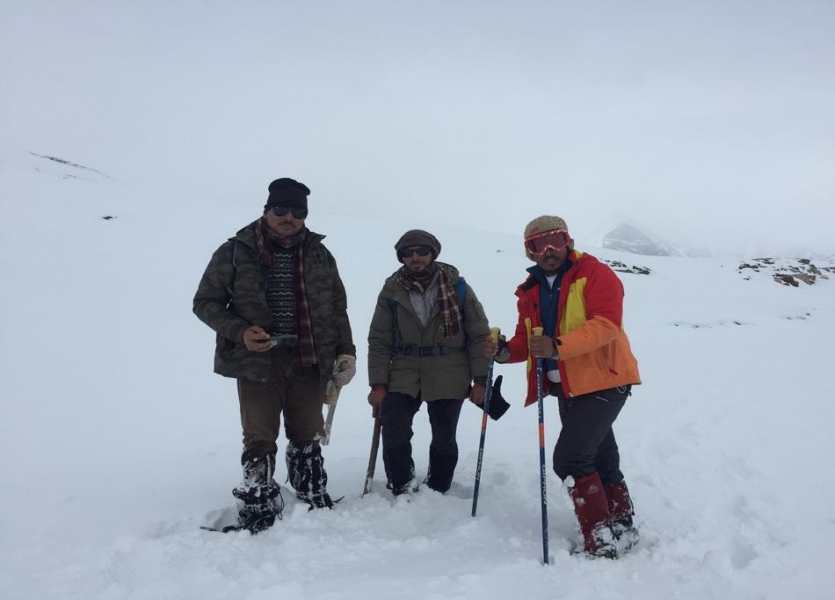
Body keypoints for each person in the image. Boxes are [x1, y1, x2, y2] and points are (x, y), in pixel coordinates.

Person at [193, 177, 356, 533]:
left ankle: (311, 493)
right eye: (280, 209)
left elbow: (337, 307)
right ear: (266, 211)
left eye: (297, 211)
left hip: (309, 359)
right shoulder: (235, 250)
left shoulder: (319, 254)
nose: (288, 217)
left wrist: (347, 353)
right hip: (256, 362)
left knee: (308, 432)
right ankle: (259, 504)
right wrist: (241, 332)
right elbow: (204, 303)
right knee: (259, 435)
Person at [484, 215, 641, 558]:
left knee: (571, 458)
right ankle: (622, 523)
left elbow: (606, 325)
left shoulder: (595, 273)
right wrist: (504, 350)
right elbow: (528, 341)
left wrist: (556, 346)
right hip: (566, 387)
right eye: (538, 244)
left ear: (568, 240)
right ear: (530, 251)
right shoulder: (530, 290)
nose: (549, 249)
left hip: (605, 378)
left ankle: (600, 536)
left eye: (555, 239)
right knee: (599, 455)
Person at [367, 230, 491, 496]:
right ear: (401, 257)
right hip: (404, 368)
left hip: (450, 367)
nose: (415, 257)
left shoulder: (457, 287)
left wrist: (481, 380)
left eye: (422, 251)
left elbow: (479, 335)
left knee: (444, 435)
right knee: (395, 428)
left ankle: (439, 486)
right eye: (408, 253)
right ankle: (402, 484)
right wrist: (378, 384)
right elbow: (379, 340)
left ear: (433, 253)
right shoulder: (391, 290)